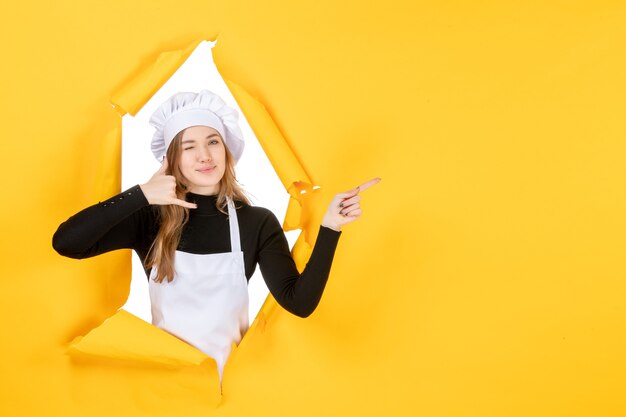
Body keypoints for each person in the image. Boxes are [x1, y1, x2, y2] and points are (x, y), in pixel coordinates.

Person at [52, 89, 380, 381]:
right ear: (171, 159)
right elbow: (67, 243)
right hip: (166, 392)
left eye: (212, 142)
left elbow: (300, 302)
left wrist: (330, 228)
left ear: (226, 150)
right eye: (188, 146)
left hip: (232, 394)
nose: (205, 156)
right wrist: (141, 194)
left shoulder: (256, 222)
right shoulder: (149, 219)